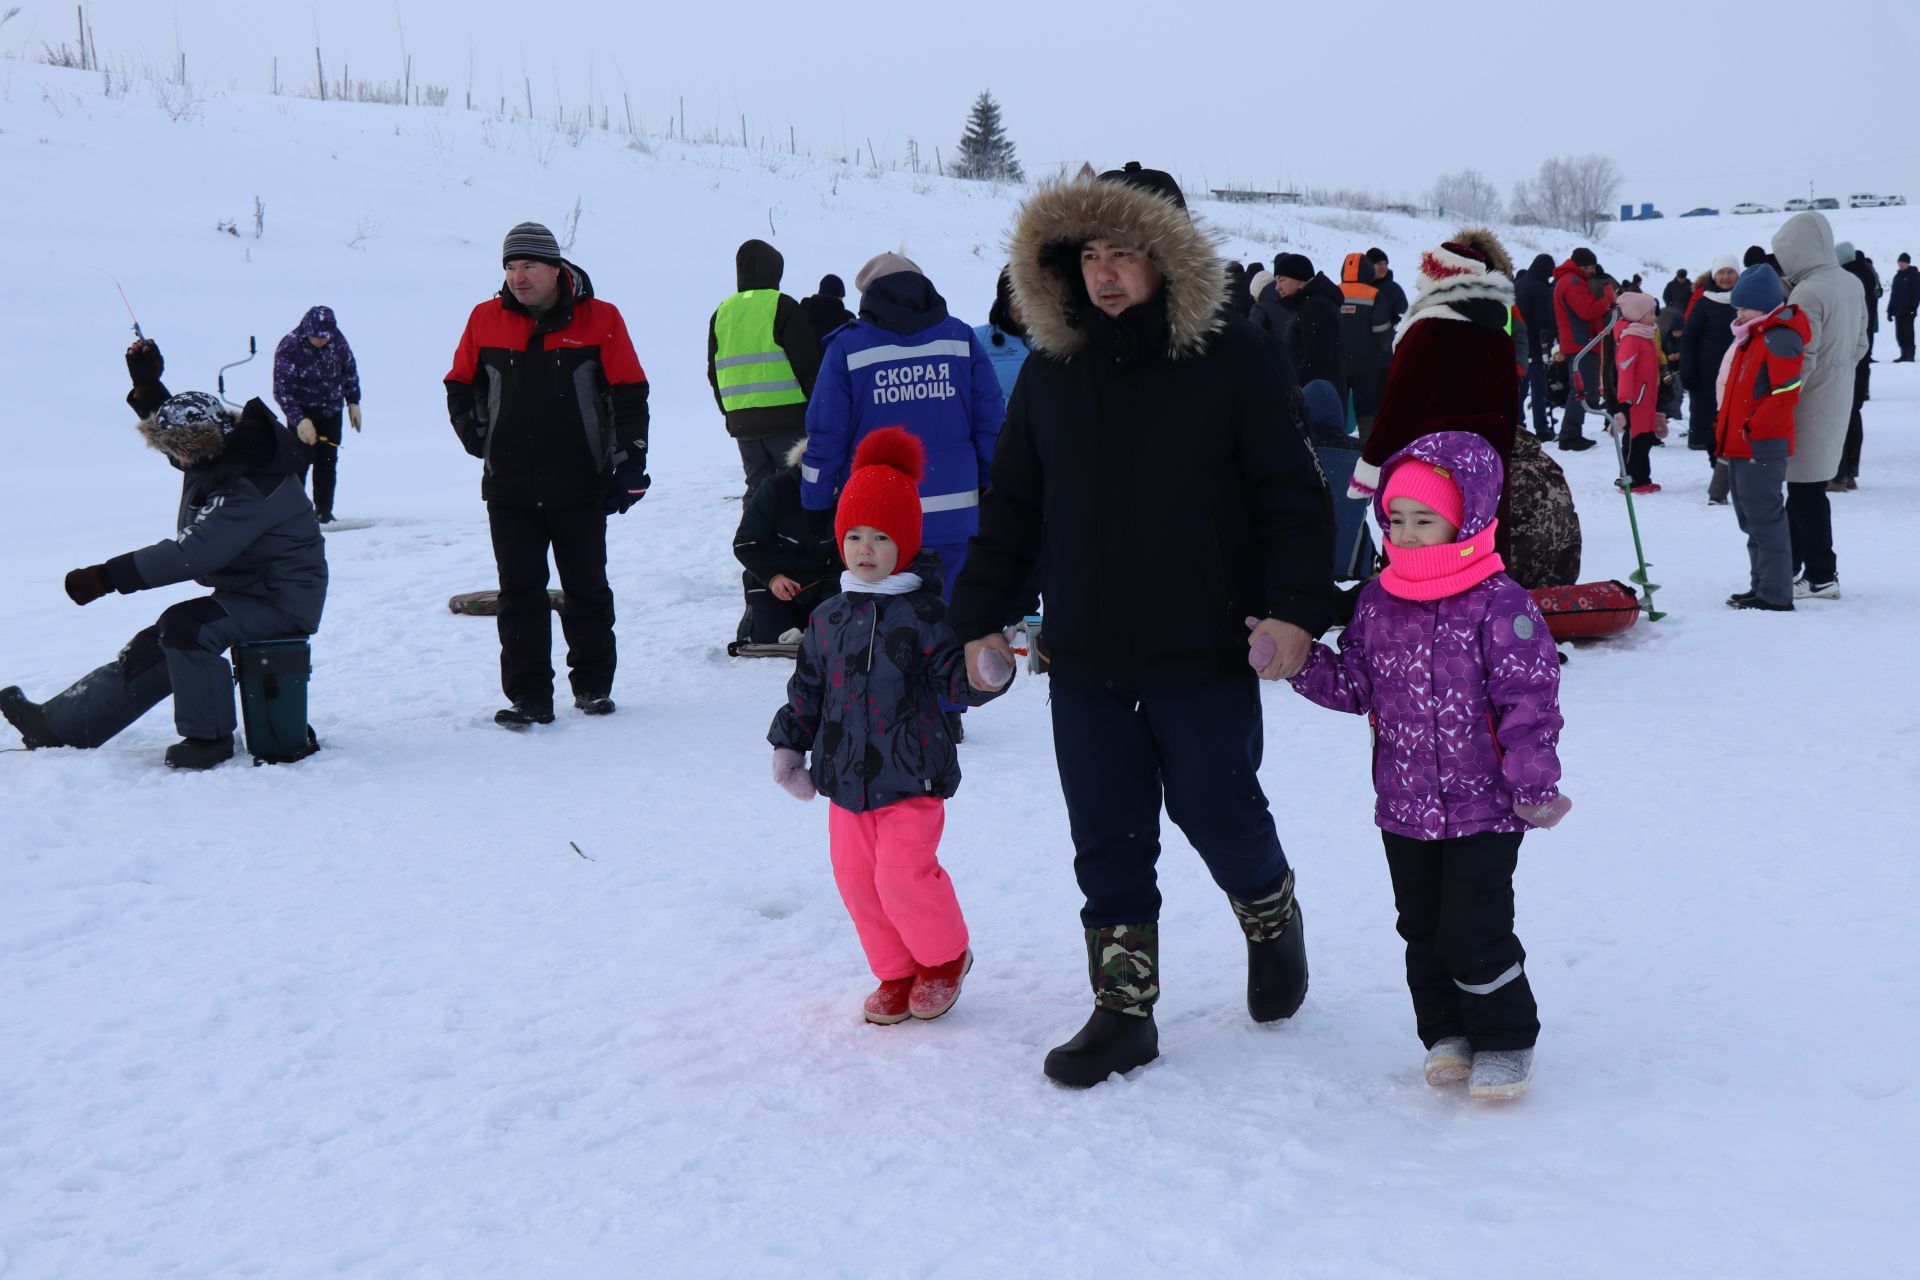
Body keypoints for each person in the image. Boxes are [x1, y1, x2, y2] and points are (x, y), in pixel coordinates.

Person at [948, 161, 1335, 1088]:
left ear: (1167, 257)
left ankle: (1272, 920)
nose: (1106, 272)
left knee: (1220, 811)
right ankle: (1125, 1012)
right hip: (1085, 654)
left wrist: (1292, 612)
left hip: (1202, 648)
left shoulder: (1234, 357)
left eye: (1126, 252)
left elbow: (1290, 493)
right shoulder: (1050, 372)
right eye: (1090, 255)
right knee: (1108, 835)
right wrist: (981, 618)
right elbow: (1013, 510)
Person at [1288, 431, 1565, 1100]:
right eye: (1397, 519)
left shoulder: (1501, 606)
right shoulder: (1379, 600)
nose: (1407, 534)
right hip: (1405, 806)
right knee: (1421, 927)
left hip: (1488, 808)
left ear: (1465, 518)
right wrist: (1300, 664)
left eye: (1425, 519)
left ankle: (1505, 1037)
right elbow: (1357, 685)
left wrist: (1532, 781)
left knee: (1475, 929)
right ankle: (1446, 1032)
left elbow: (1530, 701)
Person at [767, 428, 1012, 1024]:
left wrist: (987, 671)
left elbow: (957, 682)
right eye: (854, 536)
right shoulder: (827, 617)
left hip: (911, 776)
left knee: (902, 875)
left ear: (904, 542)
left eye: (881, 537)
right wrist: (789, 746)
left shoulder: (926, 614)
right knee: (857, 882)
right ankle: (896, 970)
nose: (865, 549)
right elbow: (808, 691)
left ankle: (944, 958)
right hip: (844, 783)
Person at [1, 341, 326, 769]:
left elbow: (194, 553)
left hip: (282, 600)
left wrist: (106, 576)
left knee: (187, 628)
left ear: (205, 443)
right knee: (160, 641)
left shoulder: (249, 484)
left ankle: (208, 740)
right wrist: (148, 387)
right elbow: (185, 437)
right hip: (252, 591)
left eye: (180, 450)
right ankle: (62, 726)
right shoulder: (230, 452)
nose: (177, 460)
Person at [444, 221, 651, 727]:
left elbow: (630, 392)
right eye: (511, 267)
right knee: (520, 592)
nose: (518, 276)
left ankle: (593, 687)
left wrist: (632, 461)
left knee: (586, 588)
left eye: (529, 265)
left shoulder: (601, 318)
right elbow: (458, 384)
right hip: (510, 486)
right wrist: (478, 439)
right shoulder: (484, 318)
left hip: (580, 481)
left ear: (555, 268)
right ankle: (529, 697)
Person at [799, 251, 1003, 739]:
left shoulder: (847, 348)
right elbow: (991, 421)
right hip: (955, 512)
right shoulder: (960, 339)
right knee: (947, 608)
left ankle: (893, 705)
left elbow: (825, 430)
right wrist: (997, 485)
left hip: (882, 519)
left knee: (887, 612)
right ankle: (948, 708)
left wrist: (813, 500)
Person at [1351, 230, 1521, 560]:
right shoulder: (1499, 335)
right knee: (1478, 552)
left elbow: (1399, 406)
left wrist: (1371, 464)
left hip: (1431, 459)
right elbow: (1510, 407)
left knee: (1424, 553)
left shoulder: (1426, 330)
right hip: (1486, 458)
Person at [1772, 212, 1866, 601]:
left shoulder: (1807, 292)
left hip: (1809, 401)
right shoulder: (1850, 281)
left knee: (1807, 490)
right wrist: (1838, 372)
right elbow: (1861, 343)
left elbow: (1802, 356)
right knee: (1804, 486)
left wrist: (1782, 399)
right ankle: (1793, 565)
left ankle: (1822, 575)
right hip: (1839, 391)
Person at [1715, 264, 1810, 611]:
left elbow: (1786, 393)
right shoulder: (1752, 337)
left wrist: (1753, 429)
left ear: (1764, 304)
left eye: (1744, 308)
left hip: (1761, 444)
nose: (1738, 314)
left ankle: (1775, 593)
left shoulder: (1779, 336)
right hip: (1742, 443)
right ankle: (1762, 586)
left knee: (1766, 519)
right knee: (1750, 519)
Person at [708, 238, 824, 503]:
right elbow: (807, 365)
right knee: (794, 485)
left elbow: (714, 373)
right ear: (775, 271)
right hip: (788, 418)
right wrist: (818, 410)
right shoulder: (782, 305)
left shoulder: (722, 312)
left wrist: (730, 413)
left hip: (742, 420)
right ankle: (794, 542)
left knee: (757, 487)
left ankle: (752, 541)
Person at [731, 437, 840, 648]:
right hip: (772, 583)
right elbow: (745, 543)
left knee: (831, 634)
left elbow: (843, 553)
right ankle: (753, 619)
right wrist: (773, 578)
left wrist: (831, 591)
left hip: (821, 583)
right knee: (775, 638)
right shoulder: (775, 489)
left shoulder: (846, 493)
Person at [272, 305, 361, 524]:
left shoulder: (337, 341)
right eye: (317, 337)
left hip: (331, 411)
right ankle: (295, 515)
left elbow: (349, 370)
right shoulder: (290, 346)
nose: (322, 341)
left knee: (327, 461)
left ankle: (324, 512)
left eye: (325, 337)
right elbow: (282, 390)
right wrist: (299, 420)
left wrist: (353, 401)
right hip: (303, 413)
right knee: (299, 464)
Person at [1680, 256, 1740, 502]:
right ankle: (1718, 467)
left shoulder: (1745, 301)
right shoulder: (1703, 303)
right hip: (1707, 375)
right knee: (1711, 425)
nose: (1726, 277)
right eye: (1721, 272)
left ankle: (1732, 470)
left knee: (1735, 422)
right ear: (1714, 275)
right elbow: (1689, 338)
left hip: (1737, 373)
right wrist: (1688, 370)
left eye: (1730, 272)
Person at [1551, 247, 1616, 450]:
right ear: (1585, 266)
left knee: (1580, 390)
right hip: (1581, 343)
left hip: (1576, 342)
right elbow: (1587, 310)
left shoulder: (1567, 280)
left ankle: (1571, 433)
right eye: (1592, 267)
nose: (1593, 271)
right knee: (1581, 391)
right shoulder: (1573, 282)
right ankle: (1569, 435)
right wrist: (1608, 299)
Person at [1610, 292, 1668, 493]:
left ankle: (1643, 478)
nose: (1654, 316)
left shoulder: (1646, 335)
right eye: (1650, 313)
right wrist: (1624, 403)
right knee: (1634, 441)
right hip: (1635, 401)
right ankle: (1630, 480)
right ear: (1637, 314)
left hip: (1646, 399)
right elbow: (1625, 374)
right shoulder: (1631, 339)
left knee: (1644, 440)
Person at [1271, 252, 1346, 395]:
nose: (1277, 287)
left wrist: (1291, 390)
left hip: (1316, 401)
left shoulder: (1316, 307)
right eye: (1276, 281)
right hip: (1317, 396)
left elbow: (1316, 363)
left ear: (1299, 279)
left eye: (1282, 280)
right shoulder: (1308, 304)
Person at [1836, 244, 1877, 491]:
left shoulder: (1847, 281)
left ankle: (1838, 474)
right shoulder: (1867, 276)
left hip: (1846, 355)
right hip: (1862, 354)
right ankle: (1850, 472)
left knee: (1841, 414)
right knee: (1853, 412)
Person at [1338, 252, 1390, 433]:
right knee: (1366, 412)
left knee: (1340, 410)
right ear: (1368, 271)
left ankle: (1337, 446)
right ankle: (1365, 452)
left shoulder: (1334, 291)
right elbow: (1382, 333)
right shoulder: (1374, 295)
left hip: (1338, 364)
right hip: (1366, 366)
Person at [974, 266, 1034, 401]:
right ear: (1005, 301)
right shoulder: (977, 339)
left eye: (1032, 296)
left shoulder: (1050, 342)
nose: (1026, 305)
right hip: (1001, 421)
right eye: (1018, 298)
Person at [1514, 253, 1557, 438]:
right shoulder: (1540, 288)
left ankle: (1518, 424)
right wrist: (1551, 331)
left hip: (1517, 342)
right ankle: (1542, 428)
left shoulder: (1519, 284)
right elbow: (1543, 321)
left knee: (1519, 390)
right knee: (1538, 389)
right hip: (1534, 345)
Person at [798, 274, 855, 349]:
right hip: (834, 360)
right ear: (839, 296)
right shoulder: (846, 318)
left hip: (804, 359)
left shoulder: (801, 312)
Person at [1366, 247, 1409, 333]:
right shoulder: (1359, 288)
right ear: (1369, 266)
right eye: (1379, 264)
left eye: (1385, 264)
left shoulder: (1395, 289)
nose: (1384, 267)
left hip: (1385, 344)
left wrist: (1387, 337)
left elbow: (1403, 320)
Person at [1889, 252, 1918, 361]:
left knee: (1908, 333)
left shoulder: (1914, 275)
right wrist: (1890, 310)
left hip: (1908, 310)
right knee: (1899, 334)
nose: (1900, 264)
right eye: (1899, 262)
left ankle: (1909, 355)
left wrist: (1913, 308)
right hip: (1897, 310)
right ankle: (1903, 354)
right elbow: (1893, 294)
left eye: (1903, 263)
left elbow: (1916, 294)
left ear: (1908, 263)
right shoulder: (1897, 276)